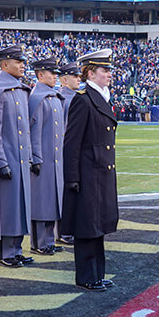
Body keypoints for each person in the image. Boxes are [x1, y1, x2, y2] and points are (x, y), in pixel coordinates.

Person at [61, 48, 118, 292]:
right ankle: (87, 276)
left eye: (109, 71)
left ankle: (98, 273)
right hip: (87, 175)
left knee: (98, 228)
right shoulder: (83, 100)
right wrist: (72, 178)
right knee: (87, 229)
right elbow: (71, 144)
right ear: (90, 73)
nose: (109, 75)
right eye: (104, 70)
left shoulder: (101, 98)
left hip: (100, 174)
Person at [0, 44, 35, 267]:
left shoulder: (20, 89)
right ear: (4, 64)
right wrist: (0, 160)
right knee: (8, 208)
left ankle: (16, 249)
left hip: (20, 158)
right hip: (7, 158)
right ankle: (4, 253)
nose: (23, 65)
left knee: (20, 205)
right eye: (18, 62)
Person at [28, 57, 66, 255]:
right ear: (40, 75)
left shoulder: (53, 97)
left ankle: (49, 240)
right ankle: (39, 243)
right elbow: (34, 132)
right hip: (42, 160)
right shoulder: (38, 98)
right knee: (41, 203)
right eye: (51, 73)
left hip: (55, 159)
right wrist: (36, 158)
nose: (55, 77)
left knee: (52, 201)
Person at [55, 60, 82, 246]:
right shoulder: (66, 99)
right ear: (64, 80)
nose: (78, 78)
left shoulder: (71, 97)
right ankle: (65, 231)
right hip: (67, 151)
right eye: (75, 76)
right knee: (67, 191)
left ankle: (66, 229)